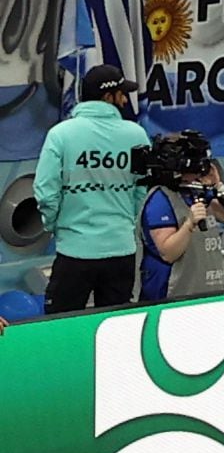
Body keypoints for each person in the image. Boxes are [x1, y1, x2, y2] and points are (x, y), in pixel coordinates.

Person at [28, 65, 145, 310]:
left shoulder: (61, 134)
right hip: (121, 251)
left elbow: (45, 191)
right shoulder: (136, 135)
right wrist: (125, 221)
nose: (125, 100)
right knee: (115, 330)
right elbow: (141, 191)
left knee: (61, 331)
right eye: (122, 94)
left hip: (74, 251)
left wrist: (55, 226)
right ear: (108, 96)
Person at [136, 138, 224, 300]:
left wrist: (218, 187)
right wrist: (189, 224)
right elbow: (168, 253)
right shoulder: (161, 199)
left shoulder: (199, 191)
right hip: (173, 294)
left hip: (206, 289)